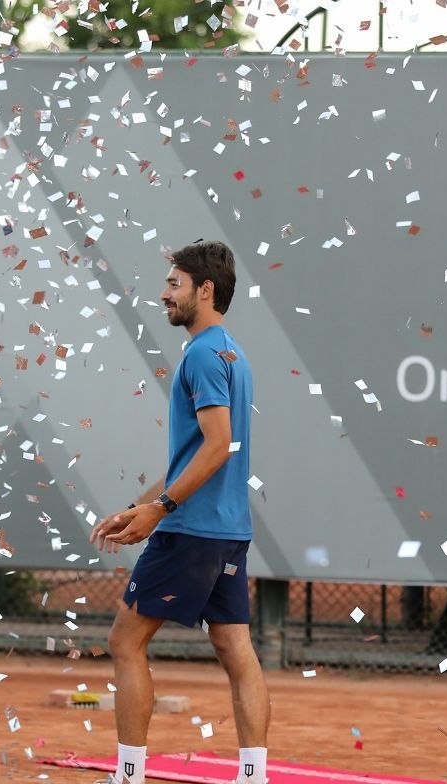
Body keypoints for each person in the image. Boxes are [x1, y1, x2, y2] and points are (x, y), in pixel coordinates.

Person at [90, 241, 269, 784]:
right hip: (226, 529)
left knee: (125, 641)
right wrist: (139, 507)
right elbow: (198, 451)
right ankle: (253, 776)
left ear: (204, 289)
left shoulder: (200, 355)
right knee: (234, 644)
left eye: (174, 284)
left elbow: (218, 446)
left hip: (192, 528)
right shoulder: (230, 352)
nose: (163, 293)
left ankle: (127, 773)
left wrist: (161, 510)